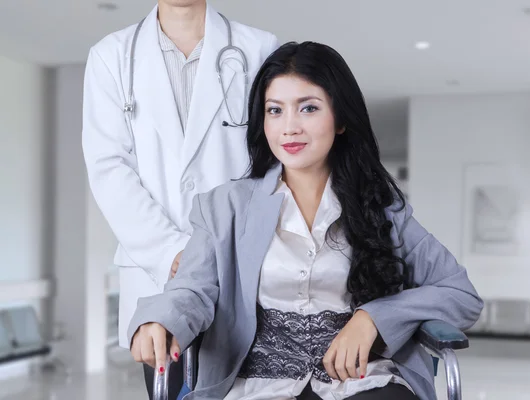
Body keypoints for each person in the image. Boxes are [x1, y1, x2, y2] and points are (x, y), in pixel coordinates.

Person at [127, 42, 484, 400]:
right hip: (259, 385)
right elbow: (193, 288)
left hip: (362, 381)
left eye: (308, 108)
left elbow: (461, 294)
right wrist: (160, 319)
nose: (290, 128)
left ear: (340, 119)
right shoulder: (225, 207)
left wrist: (374, 319)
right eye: (275, 110)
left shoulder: (382, 209)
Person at [81, 0, 278, 398]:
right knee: (170, 387)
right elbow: (108, 169)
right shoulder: (110, 57)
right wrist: (175, 252)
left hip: (242, 267)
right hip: (157, 275)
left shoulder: (259, 49)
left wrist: (221, 250)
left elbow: (274, 159)